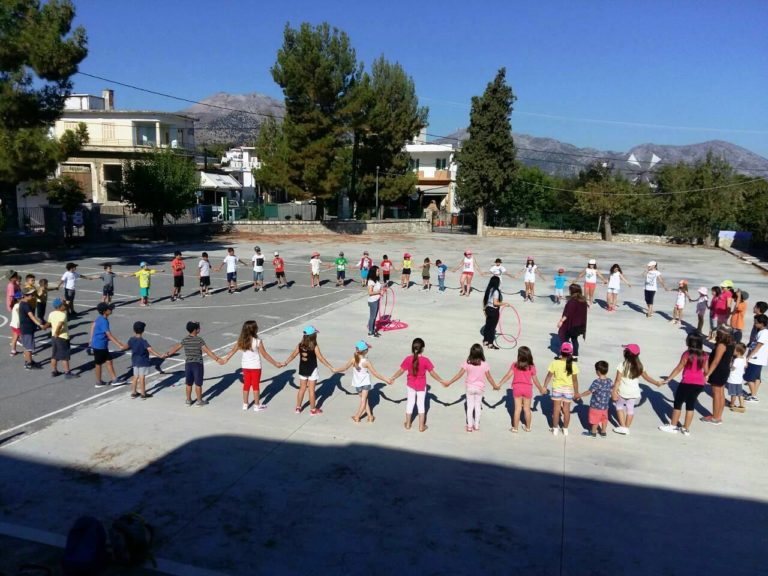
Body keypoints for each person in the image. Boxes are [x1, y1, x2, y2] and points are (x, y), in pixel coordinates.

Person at [221, 320, 282, 411]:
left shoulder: (241, 341)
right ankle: (257, 405)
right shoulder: (257, 341)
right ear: (254, 330)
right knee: (255, 385)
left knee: (246, 385)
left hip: (245, 366)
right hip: (255, 366)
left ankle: (245, 404)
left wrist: (225, 359)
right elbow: (265, 355)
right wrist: (275, 363)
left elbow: (232, 351)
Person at [658, 333, 710, 436]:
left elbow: (679, 368)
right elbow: (706, 370)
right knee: (690, 405)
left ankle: (673, 426)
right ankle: (686, 429)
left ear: (689, 342)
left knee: (678, 404)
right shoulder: (704, 355)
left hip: (686, 382)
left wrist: (668, 379)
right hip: (699, 384)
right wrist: (704, 377)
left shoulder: (687, 354)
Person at [389, 337, 445, 432]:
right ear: (422, 349)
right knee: (421, 405)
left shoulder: (408, 359)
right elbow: (432, 373)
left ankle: (407, 424)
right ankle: (421, 426)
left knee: (410, 403)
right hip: (421, 386)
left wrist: (393, 377)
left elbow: (401, 370)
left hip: (410, 385)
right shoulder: (426, 360)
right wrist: (441, 381)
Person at [165, 321, 225, 406]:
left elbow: (176, 348)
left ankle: (188, 400)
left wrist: (167, 354)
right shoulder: (199, 340)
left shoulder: (185, 339)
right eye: (198, 328)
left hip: (188, 365)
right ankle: (199, 401)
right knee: (198, 383)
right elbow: (208, 351)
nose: (200, 329)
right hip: (198, 365)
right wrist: (217, 359)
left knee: (188, 383)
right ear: (195, 330)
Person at [282, 326, 335, 415]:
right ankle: (313, 410)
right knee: (311, 390)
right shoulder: (314, 346)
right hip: (312, 370)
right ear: (313, 336)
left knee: (302, 388)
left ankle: (298, 408)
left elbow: (293, 355)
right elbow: (321, 358)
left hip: (303, 369)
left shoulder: (300, 345)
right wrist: (330, 367)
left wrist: (285, 362)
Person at [444, 343, 496, 432]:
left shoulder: (467, 363)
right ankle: (476, 425)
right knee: (478, 407)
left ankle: (469, 426)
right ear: (481, 353)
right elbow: (489, 377)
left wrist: (449, 382)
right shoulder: (484, 364)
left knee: (470, 407)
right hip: (480, 389)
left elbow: (459, 374)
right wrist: (495, 385)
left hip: (470, 388)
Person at [611, 344, 662, 435]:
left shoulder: (622, 365)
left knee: (619, 407)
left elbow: (618, 380)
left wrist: (614, 391)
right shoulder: (640, 366)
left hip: (623, 391)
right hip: (634, 393)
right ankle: (627, 427)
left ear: (626, 354)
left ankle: (623, 427)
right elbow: (646, 377)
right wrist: (656, 383)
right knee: (630, 410)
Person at [334, 340, 390, 423]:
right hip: (366, 384)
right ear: (366, 351)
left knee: (364, 400)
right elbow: (375, 374)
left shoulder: (353, 359)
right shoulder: (366, 362)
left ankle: (363, 416)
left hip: (357, 384)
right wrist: (386, 380)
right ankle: (364, 417)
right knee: (364, 401)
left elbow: (345, 368)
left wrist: (335, 370)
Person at [496, 345, 544, 432]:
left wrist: (499, 384)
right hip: (527, 389)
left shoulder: (515, 365)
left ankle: (515, 428)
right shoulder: (531, 367)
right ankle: (528, 427)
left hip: (517, 388)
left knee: (517, 409)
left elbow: (508, 376)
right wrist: (540, 388)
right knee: (527, 409)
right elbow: (535, 380)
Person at [542, 342, 580, 436]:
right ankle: (565, 429)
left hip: (557, 389)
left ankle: (555, 429)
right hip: (568, 390)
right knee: (566, 410)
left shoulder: (554, 363)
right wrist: (576, 392)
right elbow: (575, 381)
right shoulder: (573, 365)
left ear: (560, 351)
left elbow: (549, 376)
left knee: (556, 410)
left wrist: (545, 386)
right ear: (571, 353)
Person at [702, 326, 736, 425]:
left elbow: (716, 361)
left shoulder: (721, 345)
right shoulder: (732, 343)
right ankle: (718, 416)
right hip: (725, 370)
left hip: (718, 371)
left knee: (716, 394)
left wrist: (708, 374)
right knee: (720, 393)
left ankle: (715, 418)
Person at [89, 302, 126, 387]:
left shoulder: (100, 318)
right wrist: (119, 345)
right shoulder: (104, 321)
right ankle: (100, 382)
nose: (111, 310)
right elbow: (109, 335)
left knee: (107, 361)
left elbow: (93, 325)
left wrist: (91, 339)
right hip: (100, 346)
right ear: (105, 311)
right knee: (99, 364)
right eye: (109, 309)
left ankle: (111, 380)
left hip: (98, 345)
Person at [125, 321, 164, 399]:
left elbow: (127, 346)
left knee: (135, 377)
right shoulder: (143, 341)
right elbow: (150, 349)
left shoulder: (131, 339)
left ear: (134, 330)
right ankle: (143, 393)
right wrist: (160, 355)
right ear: (143, 330)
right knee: (142, 377)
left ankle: (134, 392)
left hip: (135, 361)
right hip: (143, 362)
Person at [579, 361, 613, 438]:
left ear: (598, 371)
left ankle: (593, 433)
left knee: (595, 420)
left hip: (595, 406)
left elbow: (589, 391)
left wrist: (580, 395)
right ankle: (603, 432)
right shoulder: (610, 381)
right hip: (605, 406)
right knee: (604, 419)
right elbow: (612, 390)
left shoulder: (596, 382)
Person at [48, 297, 78, 379]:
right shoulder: (63, 314)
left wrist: (44, 327)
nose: (65, 306)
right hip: (62, 337)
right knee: (65, 356)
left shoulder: (51, 313)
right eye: (64, 305)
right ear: (60, 306)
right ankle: (67, 372)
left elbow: (48, 323)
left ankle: (54, 371)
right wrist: (57, 332)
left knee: (54, 355)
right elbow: (60, 325)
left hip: (53, 337)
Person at [18, 287, 47, 369]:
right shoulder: (26, 305)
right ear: (25, 295)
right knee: (29, 348)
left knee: (27, 346)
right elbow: (31, 316)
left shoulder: (23, 303)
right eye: (30, 294)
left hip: (26, 328)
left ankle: (28, 360)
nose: (32, 295)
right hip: (27, 329)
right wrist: (40, 324)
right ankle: (29, 364)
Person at [557, 284, 588, 359]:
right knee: (574, 339)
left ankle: (564, 355)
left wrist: (561, 321)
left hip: (570, 325)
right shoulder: (583, 300)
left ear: (572, 291)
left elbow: (568, 313)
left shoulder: (573, 301)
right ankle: (575, 355)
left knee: (565, 339)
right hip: (579, 325)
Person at [481, 275, 511, 350]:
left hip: (488, 309)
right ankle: (490, 344)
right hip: (494, 311)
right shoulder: (496, 291)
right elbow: (495, 303)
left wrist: (484, 309)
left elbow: (485, 300)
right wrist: (505, 304)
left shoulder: (489, 289)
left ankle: (485, 341)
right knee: (492, 327)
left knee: (488, 325)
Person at [744, 313, 768, 403]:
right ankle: (754, 394)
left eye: (756, 323)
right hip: (758, 359)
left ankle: (754, 396)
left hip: (755, 359)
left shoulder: (764, 333)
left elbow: (758, 346)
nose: (755, 324)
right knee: (757, 378)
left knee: (749, 378)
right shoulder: (762, 332)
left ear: (762, 324)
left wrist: (748, 357)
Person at [727, 343, 747, 412]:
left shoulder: (736, 360)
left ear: (738, 352)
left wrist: (730, 364)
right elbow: (745, 366)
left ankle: (732, 404)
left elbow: (732, 368)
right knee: (740, 393)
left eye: (734, 350)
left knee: (733, 393)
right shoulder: (744, 358)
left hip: (733, 379)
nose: (732, 351)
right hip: (739, 379)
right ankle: (742, 405)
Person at [366, 266, 383, 337]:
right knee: (372, 317)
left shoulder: (376, 280)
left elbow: (378, 289)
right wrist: (379, 292)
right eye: (377, 271)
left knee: (374, 317)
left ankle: (373, 330)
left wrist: (382, 290)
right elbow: (370, 292)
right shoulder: (371, 281)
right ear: (374, 272)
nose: (379, 272)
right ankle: (370, 332)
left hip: (376, 300)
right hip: (373, 301)